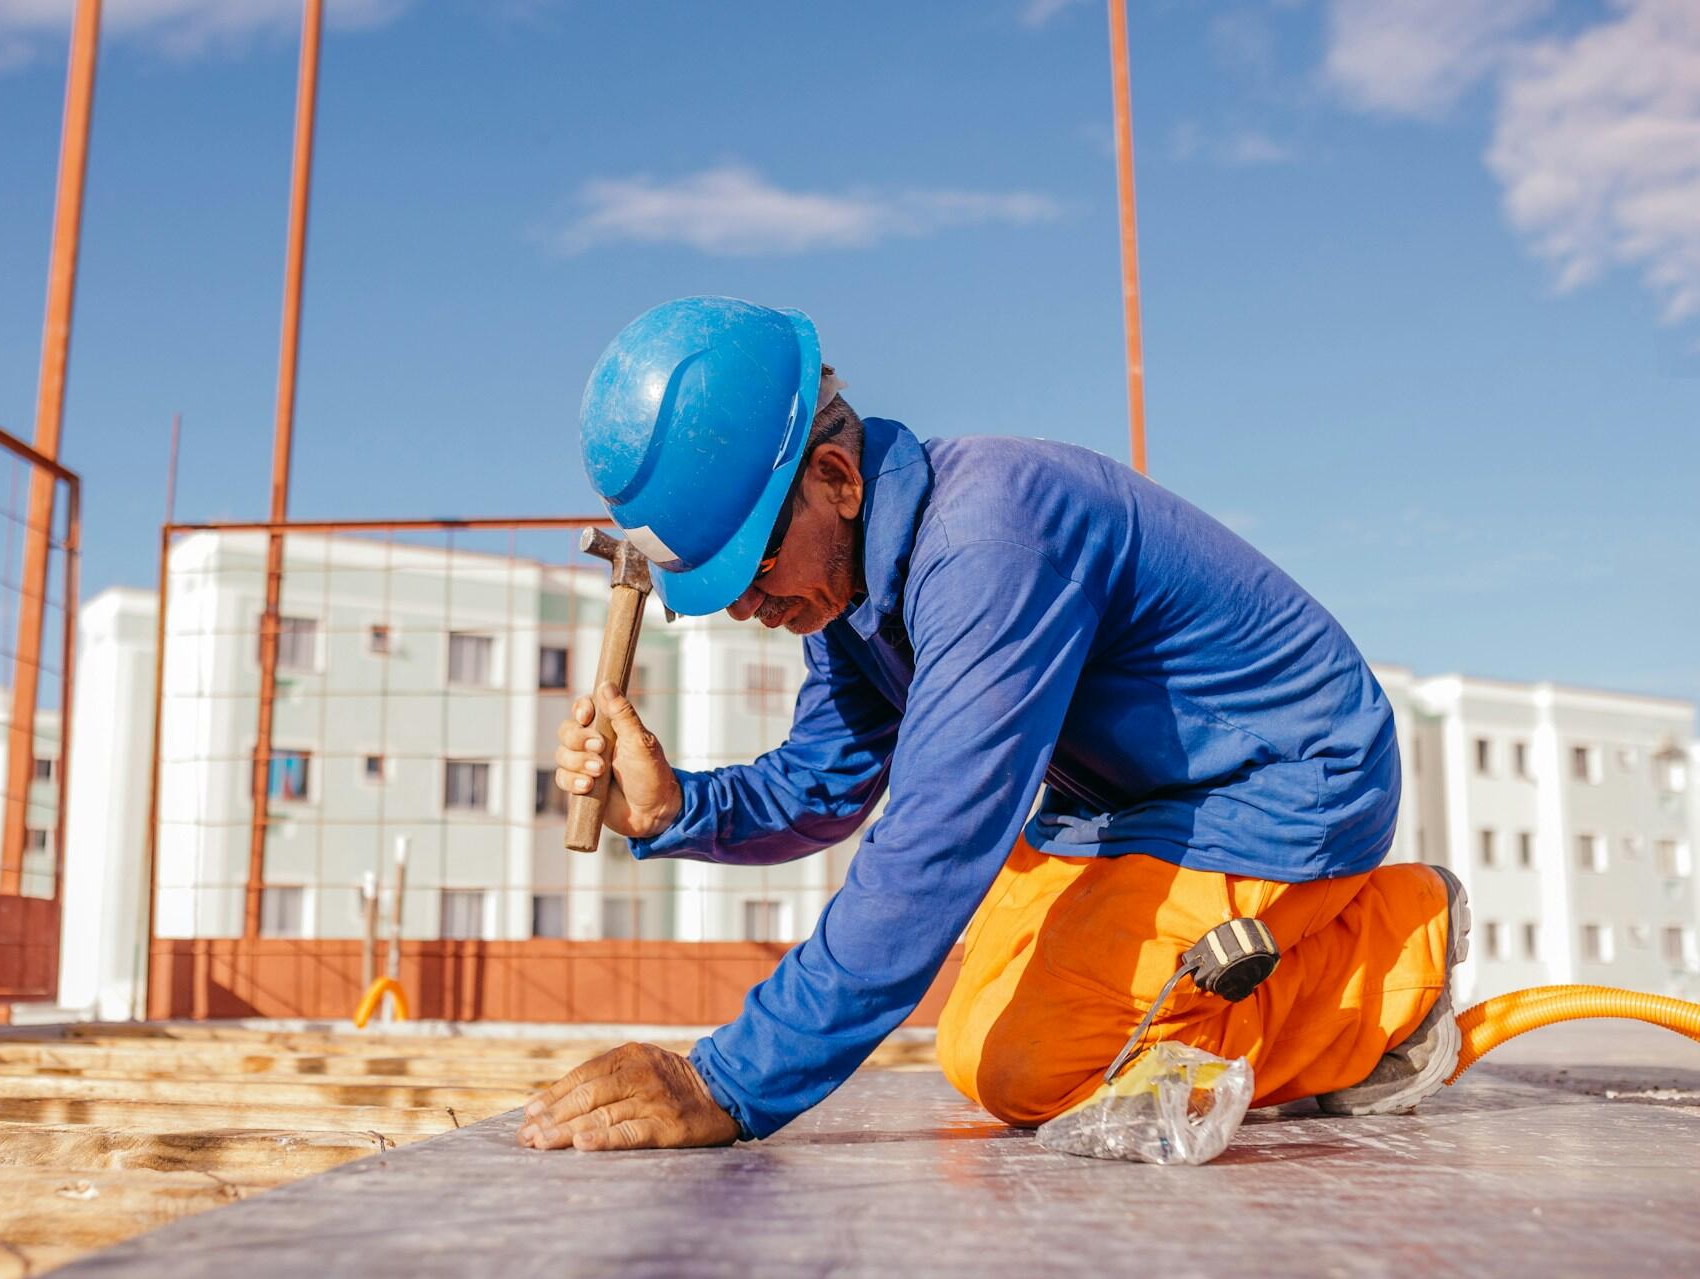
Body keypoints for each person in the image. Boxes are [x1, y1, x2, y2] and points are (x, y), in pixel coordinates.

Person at [515, 296, 1465, 1154]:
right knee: (977, 1049)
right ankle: (1248, 982)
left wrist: (720, 1083)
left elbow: (934, 846)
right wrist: (677, 807)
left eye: (754, 571)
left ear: (838, 478)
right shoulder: (847, 584)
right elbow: (824, 783)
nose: (745, 607)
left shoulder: (989, 542)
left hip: (1281, 785)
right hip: (1125, 810)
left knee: (1030, 1070)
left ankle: (1391, 956)